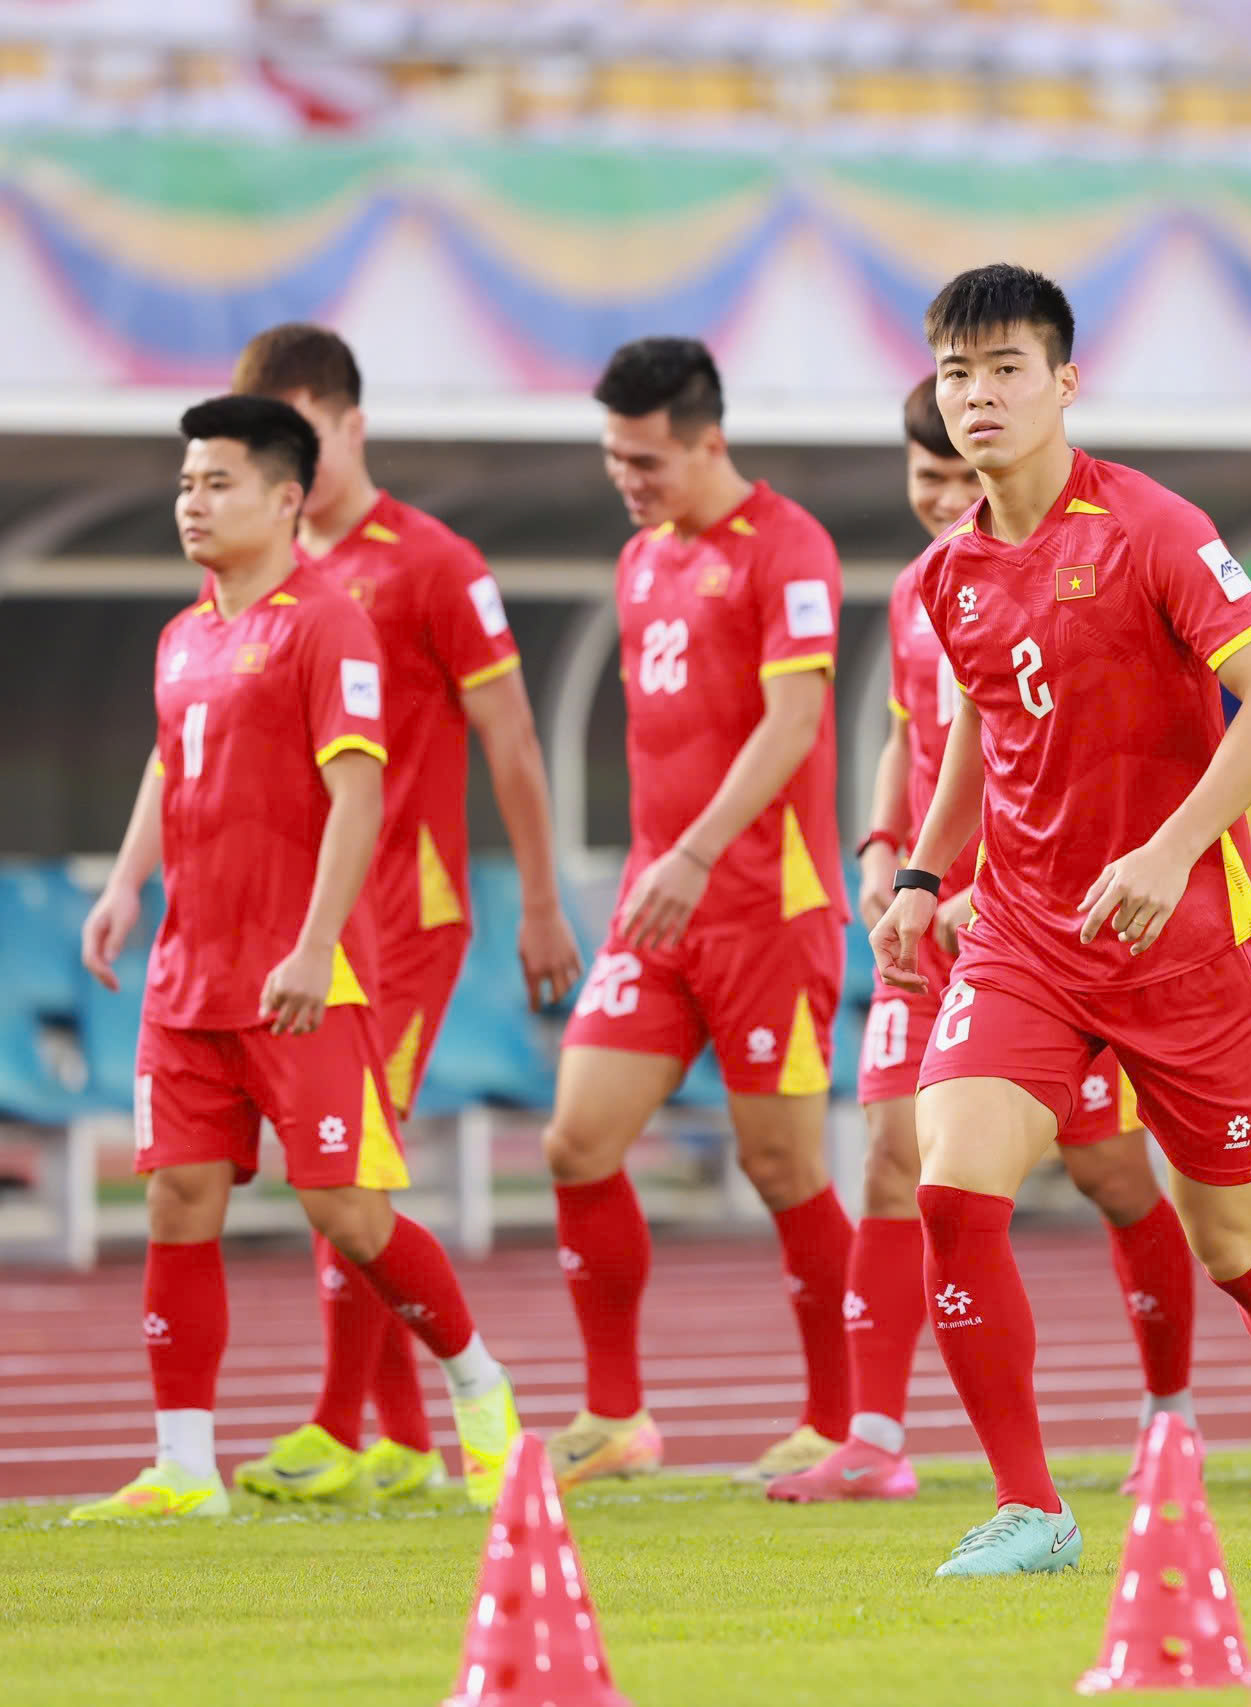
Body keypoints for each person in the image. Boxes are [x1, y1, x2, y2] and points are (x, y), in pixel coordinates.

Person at [871, 263, 1251, 1576]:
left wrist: (1171, 846)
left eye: (1005, 369)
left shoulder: (1152, 525)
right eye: (957, 374)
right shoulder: (949, 572)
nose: (978, 396)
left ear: (1064, 380)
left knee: (1238, 1245)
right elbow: (982, 715)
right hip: (1025, 938)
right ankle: (1031, 1507)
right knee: (953, 1189)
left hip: (1185, 949)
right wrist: (925, 873)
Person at [71, 396, 520, 1521]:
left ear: (285, 498)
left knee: (348, 1216)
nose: (193, 501)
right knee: (178, 1199)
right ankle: (184, 1465)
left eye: (217, 482)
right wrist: (126, 885)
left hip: (304, 979)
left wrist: (318, 948)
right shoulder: (184, 635)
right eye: (185, 482)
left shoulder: (327, 626)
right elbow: (169, 767)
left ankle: (480, 1386)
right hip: (188, 978)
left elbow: (359, 793)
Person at [768, 378, 1203, 1505]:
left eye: (962, 477)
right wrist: (884, 852)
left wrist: (987, 887)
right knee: (889, 1156)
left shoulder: (1092, 555)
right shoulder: (930, 584)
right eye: (928, 479)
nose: (949, 496)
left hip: (1050, 923)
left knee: (1112, 1174)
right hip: (927, 921)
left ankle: (1169, 1413)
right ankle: (873, 1436)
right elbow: (914, 735)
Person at [224, 325, 582, 1506]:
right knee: (338, 1170)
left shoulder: (433, 564)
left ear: (350, 424)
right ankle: (395, 1437)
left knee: (348, 1163)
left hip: (407, 919)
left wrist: (537, 900)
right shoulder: (254, 573)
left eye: (301, 435)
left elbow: (513, 738)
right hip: (300, 925)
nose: (285, 460)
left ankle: (346, 1424)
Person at [547, 338, 853, 1490]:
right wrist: (661, 868)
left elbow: (792, 724)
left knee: (780, 1165)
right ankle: (615, 1416)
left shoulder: (790, 546)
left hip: (765, 907)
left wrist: (695, 852)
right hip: (656, 905)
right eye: (616, 460)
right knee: (576, 1141)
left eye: (649, 460)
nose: (630, 479)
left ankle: (841, 1418)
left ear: (708, 440)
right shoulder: (638, 563)